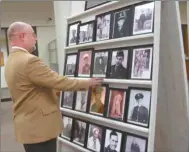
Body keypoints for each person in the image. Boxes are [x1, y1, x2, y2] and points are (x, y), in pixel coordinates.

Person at [5, 21, 103, 152]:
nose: (36, 38)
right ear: (22, 36)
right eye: (33, 34)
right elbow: (59, 81)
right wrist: (88, 83)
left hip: (27, 126)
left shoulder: (11, 60)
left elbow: (31, 87)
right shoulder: (29, 61)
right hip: (39, 128)